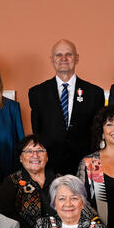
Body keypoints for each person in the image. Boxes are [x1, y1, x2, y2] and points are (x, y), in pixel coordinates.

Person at [27, 39, 105, 177]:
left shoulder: (95, 93)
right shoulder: (37, 93)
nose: (63, 58)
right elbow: (37, 132)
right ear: (52, 60)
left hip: (85, 168)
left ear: (77, 58)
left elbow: (97, 133)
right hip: (49, 169)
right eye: (58, 55)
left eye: (69, 54)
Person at [0, 135, 52, 228]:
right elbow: (3, 215)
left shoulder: (60, 181)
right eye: (28, 151)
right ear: (21, 158)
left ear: (47, 157)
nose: (35, 155)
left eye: (40, 150)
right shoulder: (12, 181)